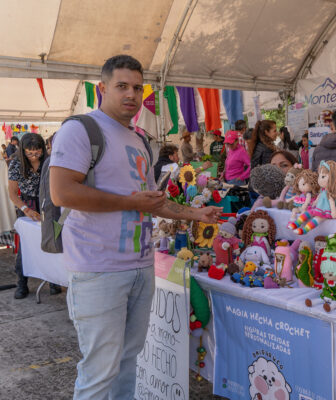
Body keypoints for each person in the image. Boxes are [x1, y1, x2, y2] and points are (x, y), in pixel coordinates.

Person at [49, 54, 222, 399]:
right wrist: (130, 202)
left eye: (138, 87)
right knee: (99, 371)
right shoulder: (81, 129)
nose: (131, 94)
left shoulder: (141, 139)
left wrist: (195, 215)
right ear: (102, 89)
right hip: (98, 269)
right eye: (122, 86)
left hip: (141, 267)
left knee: (129, 364)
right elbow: (62, 192)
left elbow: (151, 201)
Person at [8, 133, 62, 299]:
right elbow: (12, 194)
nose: (33, 156)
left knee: (52, 241)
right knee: (26, 245)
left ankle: (54, 279)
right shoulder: (16, 163)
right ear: (23, 151)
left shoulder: (49, 161)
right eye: (29, 153)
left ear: (43, 149)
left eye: (37, 152)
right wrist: (26, 210)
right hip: (27, 205)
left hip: (48, 203)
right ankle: (22, 283)